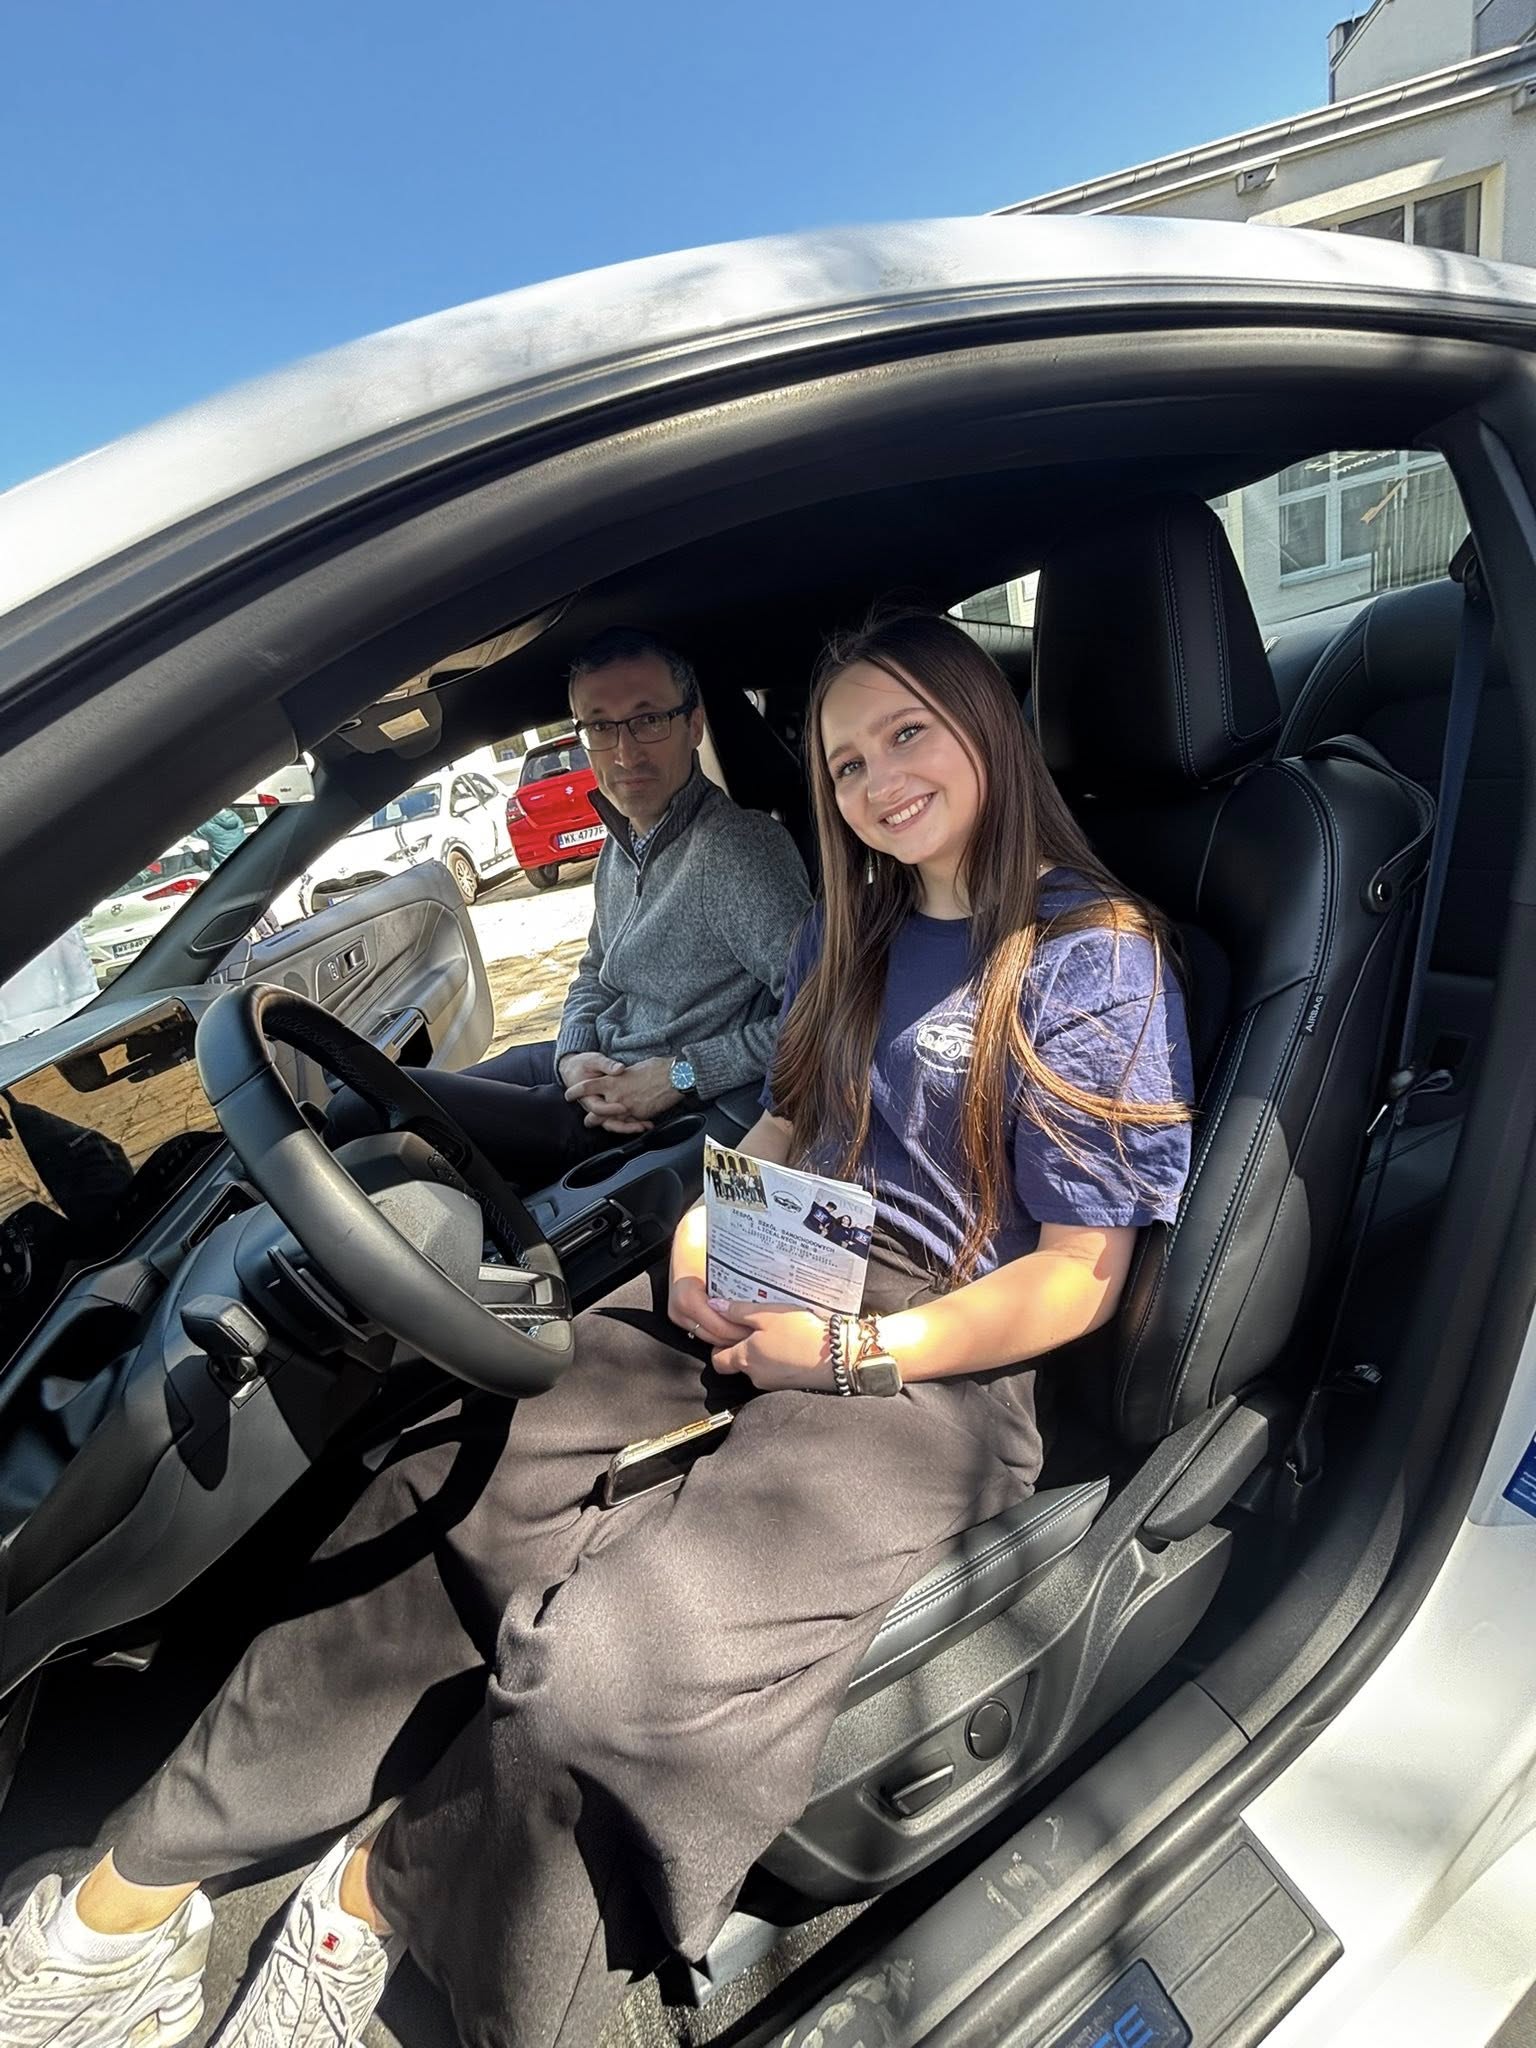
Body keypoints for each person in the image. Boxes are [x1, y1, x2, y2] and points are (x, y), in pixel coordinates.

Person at [0, 612, 1193, 2048]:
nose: (879, 781)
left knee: (614, 1669)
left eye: (907, 735)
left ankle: (373, 1900)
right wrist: (706, 1219)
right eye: (845, 761)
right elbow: (791, 1113)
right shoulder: (859, 917)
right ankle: (125, 1901)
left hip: (943, 1356)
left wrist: (850, 1355)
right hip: (785, 1248)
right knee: (446, 1491)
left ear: (982, 724)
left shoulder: (1091, 953)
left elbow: (1076, 1278)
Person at [329, 627, 811, 1189]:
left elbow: (824, 1013)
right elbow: (594, 969)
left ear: (693, 725)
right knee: (369, 1088)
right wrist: (572, 1052)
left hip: (641, 1112)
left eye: (648, 719)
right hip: (590, 1065)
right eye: (601, 727)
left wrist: (681, 1074)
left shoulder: (738, 851)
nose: (625, 752)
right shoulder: (622, 844)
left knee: (363, 1108)